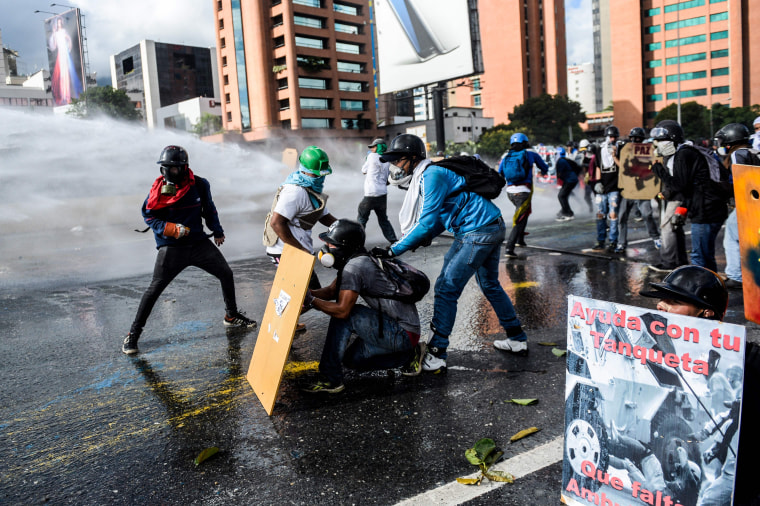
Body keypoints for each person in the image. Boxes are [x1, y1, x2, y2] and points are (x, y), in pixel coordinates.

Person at [373, 134, 529, 373]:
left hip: (477, 231)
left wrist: (394, 249)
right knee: (489, 285)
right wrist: (422, 239)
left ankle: (437, 352)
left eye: (398, 160)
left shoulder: (430, 176)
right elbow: (440, 219)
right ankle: (516, 338)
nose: (395, 166)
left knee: (447, 287)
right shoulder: (426, 175)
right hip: (489, 224)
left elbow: (426, 222)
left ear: (414, 158)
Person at [639, 265, 760, 505]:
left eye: (673, 301)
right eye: (662, 299)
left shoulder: (748, 361)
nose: (660, 305)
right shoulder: (653, 350)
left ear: (705, 313)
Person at [122, 146, 256, 355]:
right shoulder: (158, 190)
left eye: (173, 169)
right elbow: (149, 216)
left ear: (184, 168)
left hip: (198, 243)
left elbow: (209, 209)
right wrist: (170, 229)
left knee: (226, 274)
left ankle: (231, 316)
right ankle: (133, 335)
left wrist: (217, 230)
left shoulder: (200, 185)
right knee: (154, 289)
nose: (168, 173)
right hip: (172, 248)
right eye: (165, 168)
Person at [300, 220, 420, 393]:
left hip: (403, 333)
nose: (325, 248)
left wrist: (311, 300)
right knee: (351, 361)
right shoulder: (356, 259)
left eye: (330, 244)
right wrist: (305, 292)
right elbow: (331, 292)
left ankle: (330, 379)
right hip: (403, 332)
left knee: (346, 316)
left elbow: (342, 311)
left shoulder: (355, 267)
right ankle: (407, 357)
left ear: (344, 246)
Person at [650, 120, 730, 273]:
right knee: (704, 254)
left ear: (673, 139)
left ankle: (699, 288)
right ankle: (708, 284)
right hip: (706, 206)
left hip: (705, 209)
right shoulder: (686, 152)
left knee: (699, 255)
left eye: (661, 140)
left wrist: (658, 170)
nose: (658, 144)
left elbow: (679, 185)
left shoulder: (684, 154)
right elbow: (688, 184)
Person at [264, 145, 337, 288]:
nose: (320, 178)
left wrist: (346, 228)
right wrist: (300, 250)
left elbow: (324, 216)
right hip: (286, 252)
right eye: (316, 174)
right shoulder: (294, 191)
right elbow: (277, 223)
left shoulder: (310, 189)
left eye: (322, 175)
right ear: (305, 170)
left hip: (298, 251)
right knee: (307, 297)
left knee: (306, 297)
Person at [714, 122, 760, 289]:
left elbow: (738, 180)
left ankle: (735, 275)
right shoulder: (754, 151)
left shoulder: (738, 154)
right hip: (757, 201)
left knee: (731, 238)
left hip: (747, 202)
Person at [497, 133, 549, 258]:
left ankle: (520, 240)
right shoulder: (531, 155)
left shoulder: (506, 156)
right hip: (524, 192)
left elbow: (499, 173)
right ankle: (509, 248)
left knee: (524, 213)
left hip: (510, 192)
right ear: (525, 143)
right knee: (519, 219)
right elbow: (545, 167)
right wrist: (543, 172)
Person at [616, 127, 661, 254]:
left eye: (638, 139)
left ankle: (656, 237)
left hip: (642, 189)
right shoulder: (626, 151)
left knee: (647, 214)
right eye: (633, 138)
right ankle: (621, 243)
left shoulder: (647, 152)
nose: (635, 141)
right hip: (629, 190)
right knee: (622, 217)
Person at [357, 138, 398, 244]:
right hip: (382, 194)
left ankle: (357, 243)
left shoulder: (371, 156)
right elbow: (388, 179)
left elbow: (363, 171)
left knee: (361, 219)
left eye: (373, 147)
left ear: (378, 147)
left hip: (371, 194)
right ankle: (393, 240)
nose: (371, 149)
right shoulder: (387, 160)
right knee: (383, 219)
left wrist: (367, 160)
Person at [589, 125, 623, 252]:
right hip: (602, 187)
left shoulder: (621, 149)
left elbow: (623, 167)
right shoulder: (600, 150)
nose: (612, 139)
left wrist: (614, 155)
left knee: (613, 214)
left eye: (614, 136)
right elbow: (598, 167)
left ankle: (613, 241)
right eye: (610, 136)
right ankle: (600, 240)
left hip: (614, 186)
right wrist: (597, 182)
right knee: (600, 214)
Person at [48, 16, 83, 106]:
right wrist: (54, 34)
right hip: (61, 54)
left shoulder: (64, 32)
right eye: (58, 23)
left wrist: (69, 48)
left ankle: (68, 96)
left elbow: (69, 40)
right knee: (61, 75)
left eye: (60, 22)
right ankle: (63, 95)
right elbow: (54, 46)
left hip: (65, 53)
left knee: (67, 74)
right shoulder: (56, 34)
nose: (60, 24)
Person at [554, 147, 580, 221]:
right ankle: (564, 211)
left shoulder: (560, 161)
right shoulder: (563, 160)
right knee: (563, 196)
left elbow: (559, 174)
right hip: (571, 180)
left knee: (561, 196)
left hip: (570, 180)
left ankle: (568, 214)